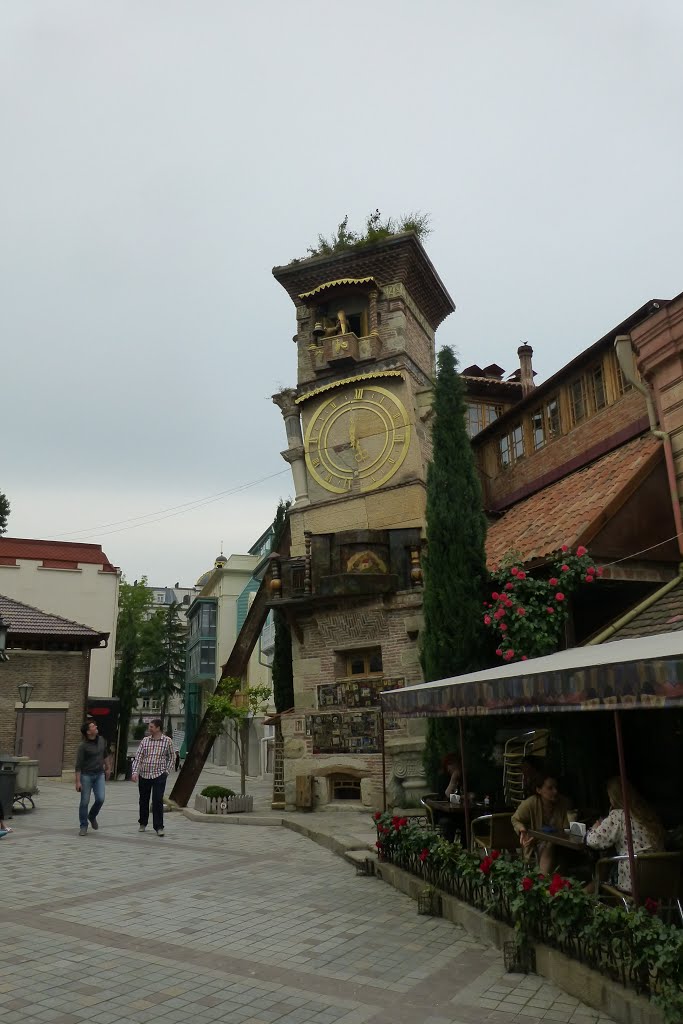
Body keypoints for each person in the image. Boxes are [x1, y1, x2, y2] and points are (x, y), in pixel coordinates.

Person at [585, 777, 665, 893]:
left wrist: (594, 828)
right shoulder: (646, 813)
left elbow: (595, 841)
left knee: (604, 868)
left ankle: (588, 895)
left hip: (634, 879)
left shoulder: (619, 815)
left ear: (614, 798)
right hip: (662, 878)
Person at [511, 771, 571, 874]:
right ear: (539, 790)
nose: (555, 791)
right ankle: (543, 881)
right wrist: (522, 830)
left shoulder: (564, 803)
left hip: (562, 843)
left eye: (556, 787)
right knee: (549, 843)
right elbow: (515, 819)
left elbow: (568, 827)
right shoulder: (531, 803)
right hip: (537, 843)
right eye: (550, 788)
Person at [131, 718, 175, 837]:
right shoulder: (145, 741)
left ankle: (159, 827)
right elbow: (138, 757)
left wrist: (166, 771)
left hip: (159, 775)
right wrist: (135, 772)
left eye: (151, 727)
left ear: (158, 728)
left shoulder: (167, 741)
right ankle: (143, 823)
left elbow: (172, 757)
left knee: (157, 800)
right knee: (143, 800)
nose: (149, 729)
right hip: (144, 774)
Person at [75, 719, 111, 836]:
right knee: (84, 801)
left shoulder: (101, 740)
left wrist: (108, 767)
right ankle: (83, 825)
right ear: (88, 732)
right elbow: (78, 765)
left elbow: (104, 754)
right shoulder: (83, 746)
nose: (95, 727)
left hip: (99, 774)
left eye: (95, 725)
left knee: (100, 798)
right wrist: (78, 781)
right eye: (92, 726)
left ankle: (92, 816)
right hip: (86, 776)